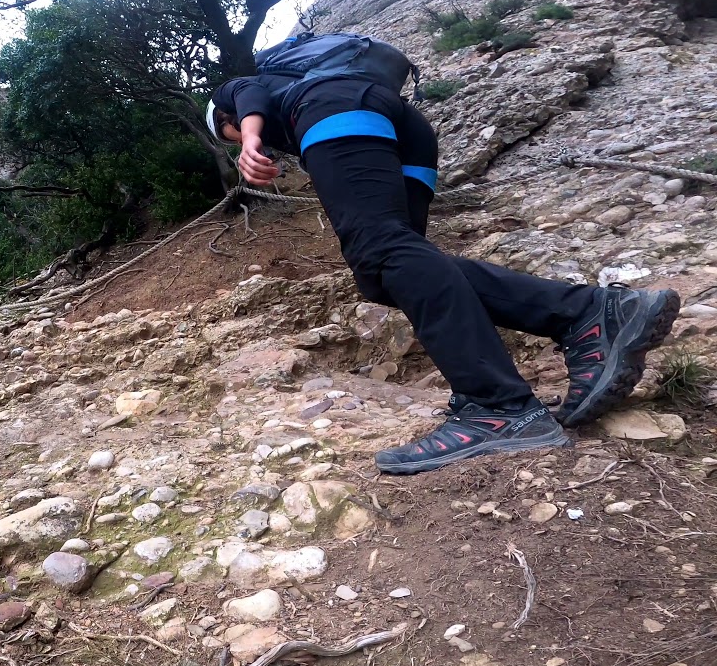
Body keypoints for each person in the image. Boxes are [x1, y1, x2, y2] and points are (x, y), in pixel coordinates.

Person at [205, 33, 680, 475]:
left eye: (228, 134)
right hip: (401, 125)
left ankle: (496, 406)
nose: (240, 138)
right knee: (390, 272)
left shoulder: (252, 97)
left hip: (336, 109)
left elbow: (245, 90)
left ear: (225, 120)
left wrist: (249, 136)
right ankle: (588, 313)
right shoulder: (314, 88)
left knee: (383, 249)